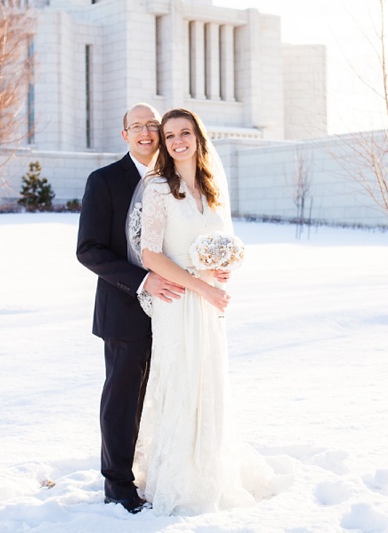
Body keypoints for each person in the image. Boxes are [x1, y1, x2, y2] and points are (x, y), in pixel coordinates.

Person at [128, 108, 273, 516]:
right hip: (178, 299)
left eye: (185, 132)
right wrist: (201, 286)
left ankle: (211, 470)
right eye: (170, 134)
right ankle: (177, 479)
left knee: (209, 380)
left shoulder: (210, 188)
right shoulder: (157, 187)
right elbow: (151, 253)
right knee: (181, 381)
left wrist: (221, 266)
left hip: (208, 298)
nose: (177, 141)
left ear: (198, 137)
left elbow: (217, 238)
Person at [76, 103, 185, 514]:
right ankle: (118, 483)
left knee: (168, 394)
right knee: (124, 399)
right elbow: (88, 250)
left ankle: (159, 472)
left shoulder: (175, 179)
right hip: (124, 311)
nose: (146, 132)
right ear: (124, 134)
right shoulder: (104, 181)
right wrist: (142, 280)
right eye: (136, 126)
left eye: (152, 125)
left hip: (175, 309)